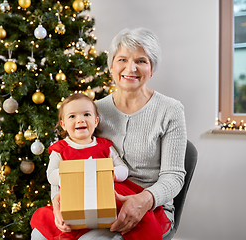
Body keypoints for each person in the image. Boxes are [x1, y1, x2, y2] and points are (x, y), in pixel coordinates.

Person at [40, 27, 187, 240]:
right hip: (94, 201)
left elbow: (174, 176)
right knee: (41, 234)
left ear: (152, 68)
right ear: (111, 66)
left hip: (151, 207)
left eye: (141, 61)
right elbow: (67, 159)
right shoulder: (91, 111)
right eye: (122, 60)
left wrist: (144, 200)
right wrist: (57, 201)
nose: (131, 68)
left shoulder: (170, 110)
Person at [30, 93, 173, 240]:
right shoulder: (60, 149)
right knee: (43, 230)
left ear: (96, 120)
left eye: (86, 114)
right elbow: (51, 174)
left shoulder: (104, 146)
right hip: (74, 195)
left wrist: (110, 174)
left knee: (123, 217)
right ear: (63, 124)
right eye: (72, 116)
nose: (80, 120)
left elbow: (123, 169)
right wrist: (68, 177)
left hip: (106, 192)